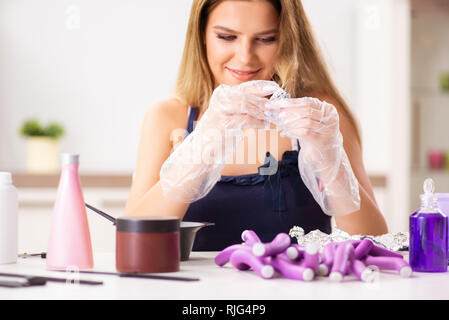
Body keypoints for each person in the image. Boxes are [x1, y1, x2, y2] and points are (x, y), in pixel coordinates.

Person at [124, 0, 388, 251]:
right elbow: (133, 241)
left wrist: (331, 163)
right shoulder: (168, 118)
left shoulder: (319, 116)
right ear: (201, 35)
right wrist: (201, 146)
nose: (245, 57)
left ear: (287, 39)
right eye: (227, 37)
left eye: (265, 39)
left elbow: (375, 242)